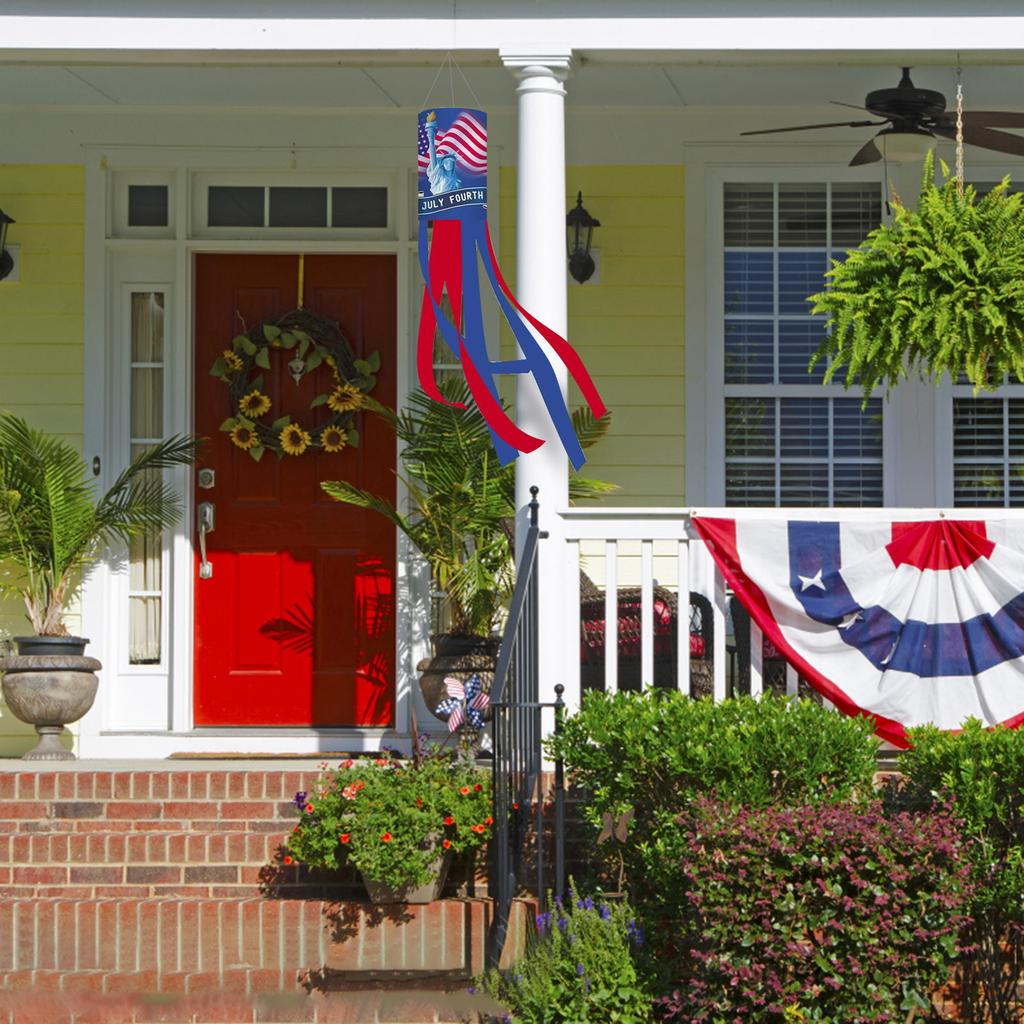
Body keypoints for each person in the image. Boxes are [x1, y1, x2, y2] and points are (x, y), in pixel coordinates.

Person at [424, 118, 461, 195]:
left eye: (450, 162)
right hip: (438, 203)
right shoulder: (438, 174)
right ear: (442, 164)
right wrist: (431, 139)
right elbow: (433, 156)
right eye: (446, 162)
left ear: (453, 165)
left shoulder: (456, 182)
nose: (449, 164)